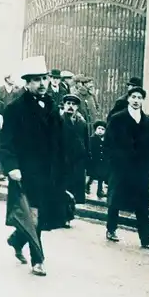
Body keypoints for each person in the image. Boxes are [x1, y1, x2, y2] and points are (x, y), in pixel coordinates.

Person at [0, 56, 70, 277]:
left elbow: (59, 140)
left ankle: (16, 239)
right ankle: (38, 260)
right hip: (26, 173)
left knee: (41, 216)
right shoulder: (15, 108)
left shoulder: (51, 106)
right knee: (34, 217)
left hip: (48, 173)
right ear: (27, 83)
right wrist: (11, 167)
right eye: (36, 80)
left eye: (44, 79)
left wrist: (63, 167)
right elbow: (6, 143)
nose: (41, 84)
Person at [104, 86, 149, 248]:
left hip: (140, 170)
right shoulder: (117, 119)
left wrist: (147, 167)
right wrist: (114, 162)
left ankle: (146, 236)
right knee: (115, 199)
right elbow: (108, 143)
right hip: (121, 168)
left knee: (141, 201)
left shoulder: (148, 120)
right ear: (128, 98)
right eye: (133, 97)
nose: (136, 100)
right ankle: (111, 228)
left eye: (139, 98)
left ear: (143, 100)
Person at [60, 93, 90, 227]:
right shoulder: (58, 120)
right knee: (63, 188)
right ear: (64, 106)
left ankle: (69, 215)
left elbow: (86, 140)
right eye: (68, 104)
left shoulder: (82, 122)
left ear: (77, 107)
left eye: (73, 104)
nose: (70, 107)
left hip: (77, 161)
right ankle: (63, 216)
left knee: (74, 189)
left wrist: (87, 157)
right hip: (63, 160)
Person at [86, 120, 108, 199]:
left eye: (103, 129)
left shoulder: (105, 140)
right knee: (91, 175)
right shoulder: (92, 139)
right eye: (99, 128)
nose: (100, 131)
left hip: (101, 161)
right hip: (93, 161)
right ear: (95, 129)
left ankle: (99, 191)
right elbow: (89, 149)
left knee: (101, 176)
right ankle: (86, 186)